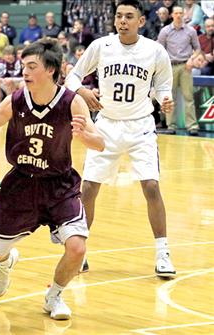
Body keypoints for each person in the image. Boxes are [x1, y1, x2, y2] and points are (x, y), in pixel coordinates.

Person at [0, 39, 105, 320]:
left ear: (50, 70)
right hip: (21, 184)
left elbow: (100, 143)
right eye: (23, 65)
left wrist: (86, 137)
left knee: (77, 247)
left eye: (31, 66)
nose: (24, 71)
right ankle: (5, 263)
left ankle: (54, 296)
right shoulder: (15, 99)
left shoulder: (71, 102)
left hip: (59, 185)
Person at [65, 0, 176, 277]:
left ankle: (163, 253)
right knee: (88, 188)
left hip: (140, 126)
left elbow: (163, 85)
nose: (122, 21)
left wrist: (165, 99)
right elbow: (73, 77)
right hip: (107, 126)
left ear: (140, 21)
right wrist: (83, 92)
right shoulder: (101, 46)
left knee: (151, 186)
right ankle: (81, 251)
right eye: (118, 16)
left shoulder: (154, 51)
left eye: (129, 16)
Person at [158, 5, 201, 135]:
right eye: (176, 13)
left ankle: (192, 126)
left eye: (180, 13)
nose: (178, 15)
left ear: (184, 15)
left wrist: (191, 59)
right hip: (170, 67)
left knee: (189, 97)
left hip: (185, 66)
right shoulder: (165, 31)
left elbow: (198, 49)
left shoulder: (191, 31)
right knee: (170, 98)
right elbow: (159, 50)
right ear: (172, 15)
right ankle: (171, 126)